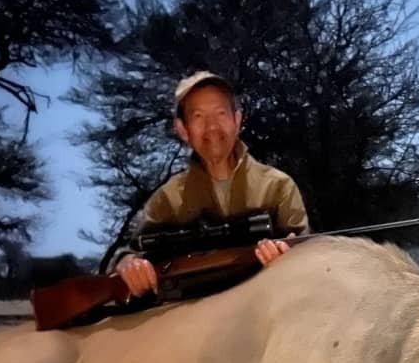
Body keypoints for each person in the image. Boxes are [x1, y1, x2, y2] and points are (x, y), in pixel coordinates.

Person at [107, 70, 310, 297]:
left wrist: (288, 256)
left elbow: (305, 253)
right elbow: (128, 254)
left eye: (221, 113)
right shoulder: (166, 200)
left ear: (237, 120)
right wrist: (128, 265)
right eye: (198, 116)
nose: (212, 127)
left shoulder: (279, 186)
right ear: (183, 130)